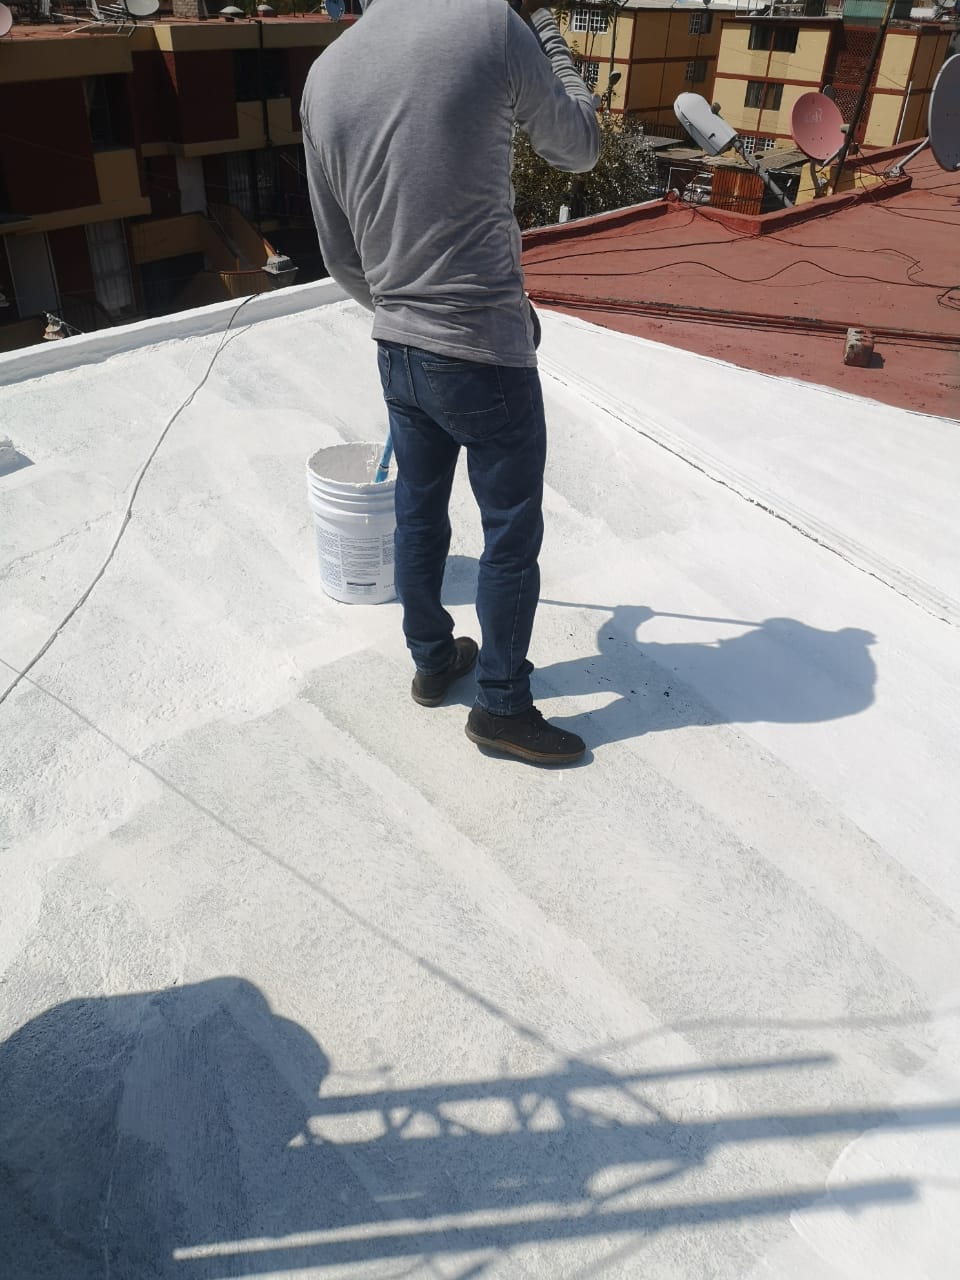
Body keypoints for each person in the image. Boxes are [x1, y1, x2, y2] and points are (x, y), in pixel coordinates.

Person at [300, 0, 599, 764]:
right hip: (483, 349)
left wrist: (403, 312)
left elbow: (339, 256)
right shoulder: (490, 24)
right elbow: (579, 147)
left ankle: (433, 661)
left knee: (419, 512)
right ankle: (501, 706)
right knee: (510, 535)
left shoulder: (325, 76)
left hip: (397, 350)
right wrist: (548, 33)